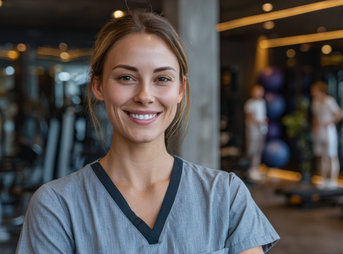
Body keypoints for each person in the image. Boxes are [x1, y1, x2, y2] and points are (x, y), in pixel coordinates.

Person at [16, 11, 279, 254]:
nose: (144, 95)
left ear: (180, 89)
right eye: (126, 78)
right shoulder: (57, 206)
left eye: (162, 79)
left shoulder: (226, 195)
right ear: (97, 85)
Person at [311, 81, 342, 189]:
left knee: (331, 155)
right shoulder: (315, 102)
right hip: (320, 131)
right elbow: (315, 117)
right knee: (322, 156)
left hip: (329, 131)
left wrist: (329, 122)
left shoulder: (329, 101)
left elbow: (338, 113)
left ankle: (333, 180)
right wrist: (315, 128)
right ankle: (323, 179)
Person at [244, 85, 268, 182]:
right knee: (252, 150)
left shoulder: (262, 102)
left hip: (262, 130)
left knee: (259, 150)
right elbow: (250, 117)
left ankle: (256, 169)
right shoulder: (249, 104)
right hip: (253, 131)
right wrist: (259, 122)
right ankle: (250, 170)